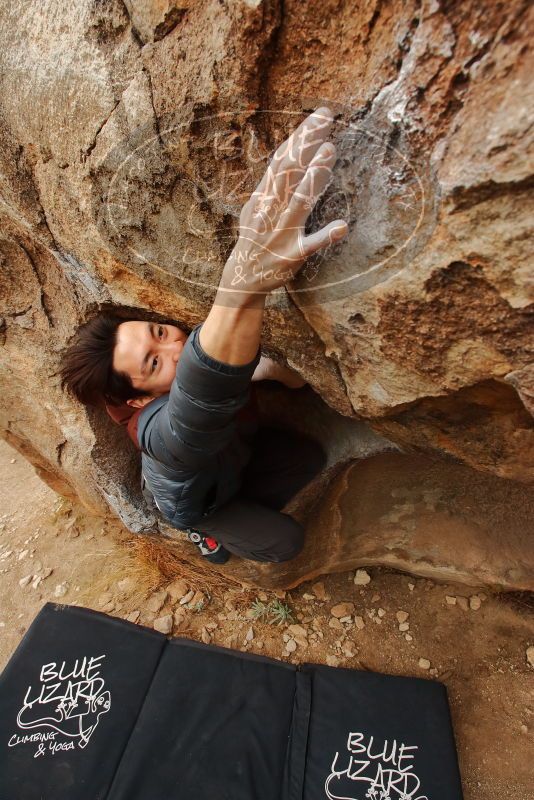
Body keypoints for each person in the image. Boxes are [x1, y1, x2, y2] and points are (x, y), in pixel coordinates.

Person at [59, 107, 349, 564]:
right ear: (138, 399)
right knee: (284, 543)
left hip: (231, 459)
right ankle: (205, 531)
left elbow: (273, 383)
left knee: (305, 458)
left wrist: (270, 372)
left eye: (159, 332)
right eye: (153, 363)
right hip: (198, 499)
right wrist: (242, 279)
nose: (174, 346)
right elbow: (194, 410)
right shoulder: (158, 434)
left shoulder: (184, 365)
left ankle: (239, 503)